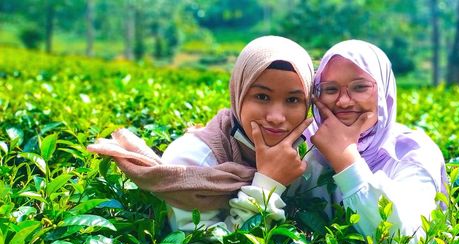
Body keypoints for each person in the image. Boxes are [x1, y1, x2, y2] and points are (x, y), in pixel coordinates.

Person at [87, 35, 314, 232]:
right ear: (238, 93)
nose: (276, 116)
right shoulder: (192, 160)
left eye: (293, 100)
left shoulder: (303, 156)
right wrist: (268, 183)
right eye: (262, 97)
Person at [250, 40, 448, 244]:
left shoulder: (412, 152)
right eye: (330, 89)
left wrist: (346, 159)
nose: (343, 101)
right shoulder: (303, 144)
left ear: (383, 92)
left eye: (360, 87)